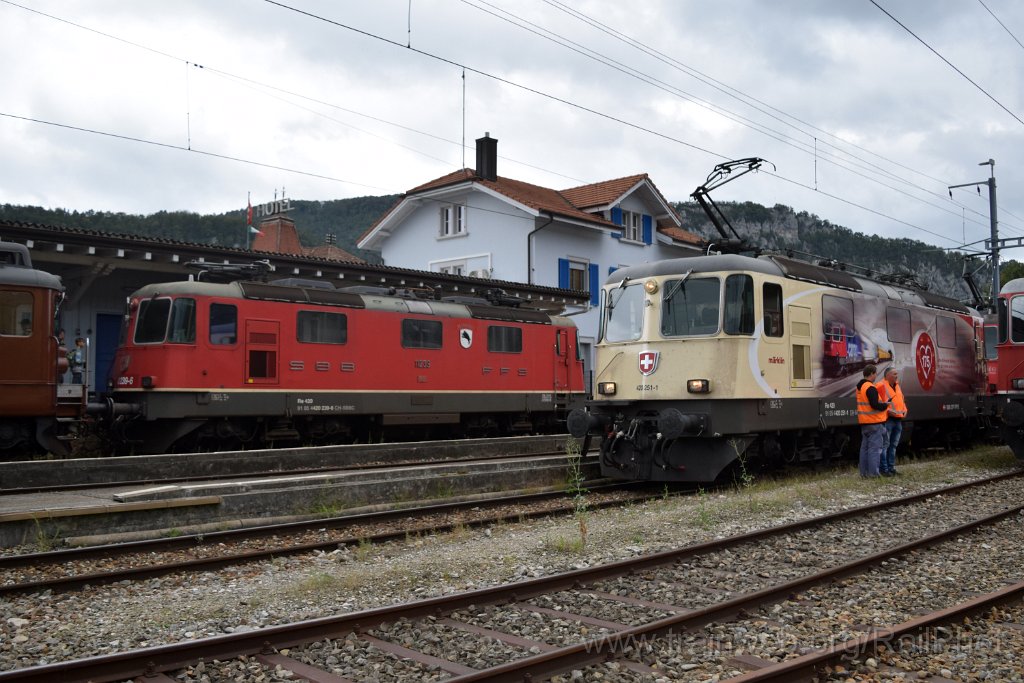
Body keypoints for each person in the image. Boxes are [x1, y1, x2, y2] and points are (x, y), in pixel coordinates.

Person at [856, 364, 889, 478]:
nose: (876, 375)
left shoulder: (860, 387)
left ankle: (864, 473)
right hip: (874, 422)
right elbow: (875, 405)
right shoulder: (870, 387)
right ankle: (873, 474)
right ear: (871, 374)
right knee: (874, 449)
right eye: (875, 373)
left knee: (864, 449)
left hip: (864, 423)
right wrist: (885, 405)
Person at [876, 367, 907, 476]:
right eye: (894, 374)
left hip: (898, 420)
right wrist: (889, 411)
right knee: (885, 445)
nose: (896, 376)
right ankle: (884, 470)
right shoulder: (880, 386)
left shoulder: (897, 385)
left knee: (893, 445)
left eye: (896, 374)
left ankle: (891, 468)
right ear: (888, 375)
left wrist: (905, 410)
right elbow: (877, 404)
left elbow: (901, 400)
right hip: (887, 420)